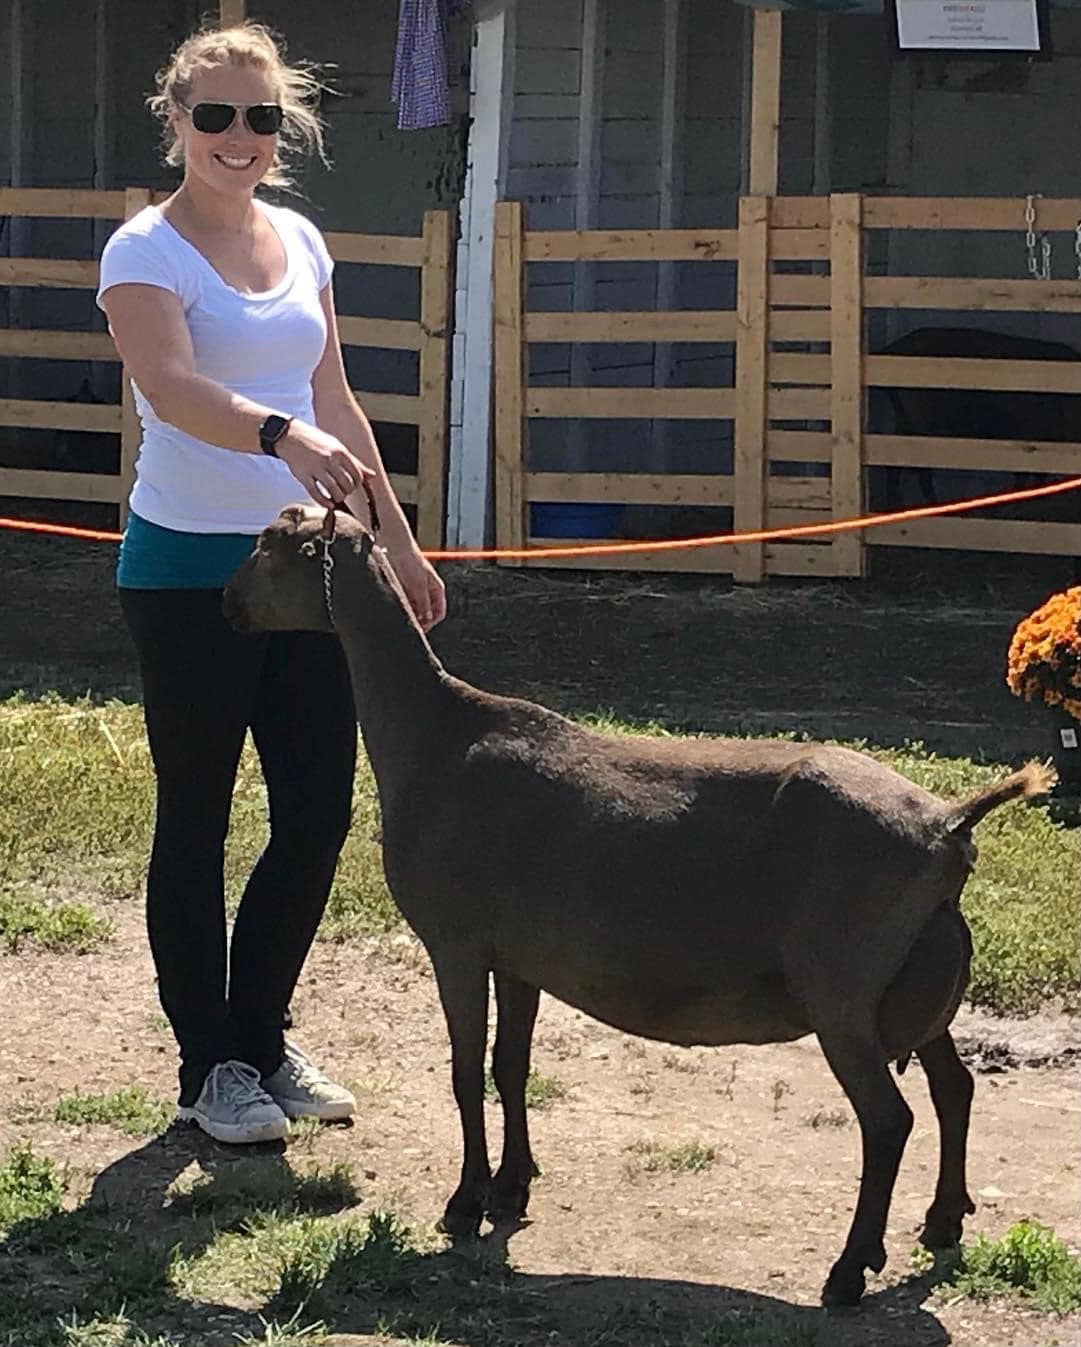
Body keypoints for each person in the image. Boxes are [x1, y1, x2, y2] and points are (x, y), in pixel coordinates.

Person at [96, 20, 446, 1144]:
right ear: (178, 123)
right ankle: (208, 1069)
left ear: (280, 125)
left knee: (317, 816)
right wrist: (278, 436)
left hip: (316, 576)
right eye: (214, 117)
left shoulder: (300, 238)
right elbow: (173, 386)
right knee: (195, 816)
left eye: (258, 117)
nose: (237, 138)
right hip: (189, 571)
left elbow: (335, 399)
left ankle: (261, 1036)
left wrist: (393, 538)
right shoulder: (144, 252)